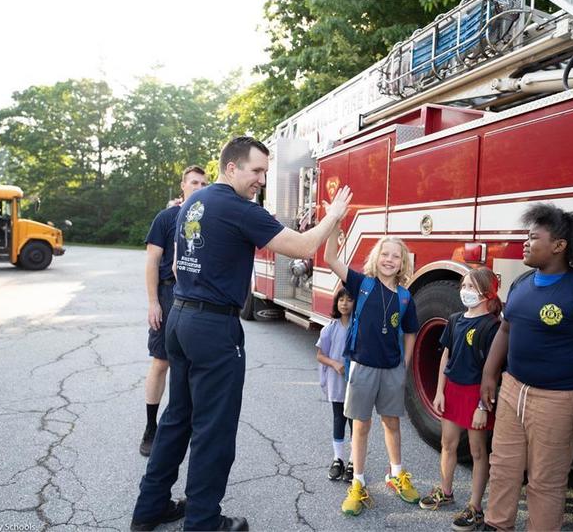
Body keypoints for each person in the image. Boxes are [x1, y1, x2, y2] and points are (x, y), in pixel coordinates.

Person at [130, 136, 352, 532]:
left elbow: (180, 266)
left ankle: (149, 508)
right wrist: (333, 214)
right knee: (214, 428)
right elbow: (303, 245)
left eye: (266, 172)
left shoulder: (192, 205)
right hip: (213, 328)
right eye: (256, 171)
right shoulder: (237, 207)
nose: (262, 180)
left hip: (182, 317)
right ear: (231, 168)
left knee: (178, 417)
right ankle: (202, 521)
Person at [479, 203, 573, 531]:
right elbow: (505, 330)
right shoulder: (522, 283)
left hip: (559, 401)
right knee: (503, 468)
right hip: (513, 390)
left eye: (533, 237)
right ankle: (497, 524)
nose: (525, 244)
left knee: (545, 481)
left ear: (559, 246)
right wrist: (489, 374)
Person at [323, 233, 420, 517]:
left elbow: (411, 331)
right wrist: (336, 224)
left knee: (391, 423)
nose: (389, 260)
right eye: (385, 254)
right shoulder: (361, 284)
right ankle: (358, 483)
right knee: (361, 426)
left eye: (396, 256)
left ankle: (396, 474)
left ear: (403, 263)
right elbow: (330, 258)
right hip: (363, 367)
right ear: (375, 258)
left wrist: (405, 361)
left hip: (391, 369)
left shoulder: (405, 297)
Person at [420, 267, 501, 531]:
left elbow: (493, 369)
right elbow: (446, 355)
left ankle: (475, 508)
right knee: (448, 443)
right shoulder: (455, 319)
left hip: (476, 395)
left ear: (488, 293)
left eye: (472, 287)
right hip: (453, 391)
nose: (465, 291)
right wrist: (440, 391)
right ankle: (446, 491)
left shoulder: (493, 326)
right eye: (464, 286)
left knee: (478, 451)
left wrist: (482, 406)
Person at [139, 166, 207, 457]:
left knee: (193, 367)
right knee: (161, 362)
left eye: (204, 183)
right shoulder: (166, 218)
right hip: (168, 295)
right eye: (194, 182)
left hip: (198, 298)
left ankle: (185, 427)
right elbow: (152, 262)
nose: (199, 186)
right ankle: (151, 427)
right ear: (183, 185)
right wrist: (154, 302)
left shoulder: (208, 219)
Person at [316, 288, 355, 482]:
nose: (345, 303)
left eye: (349, 300)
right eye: (341, 300)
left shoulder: (358, 327)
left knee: (355, 421)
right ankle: (338, 458)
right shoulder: (329, 328)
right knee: (339, 418)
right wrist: (335, 363)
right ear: (336, 303)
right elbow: (320, 355)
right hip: (336, 381)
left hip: (355, 382)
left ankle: (354, 460)